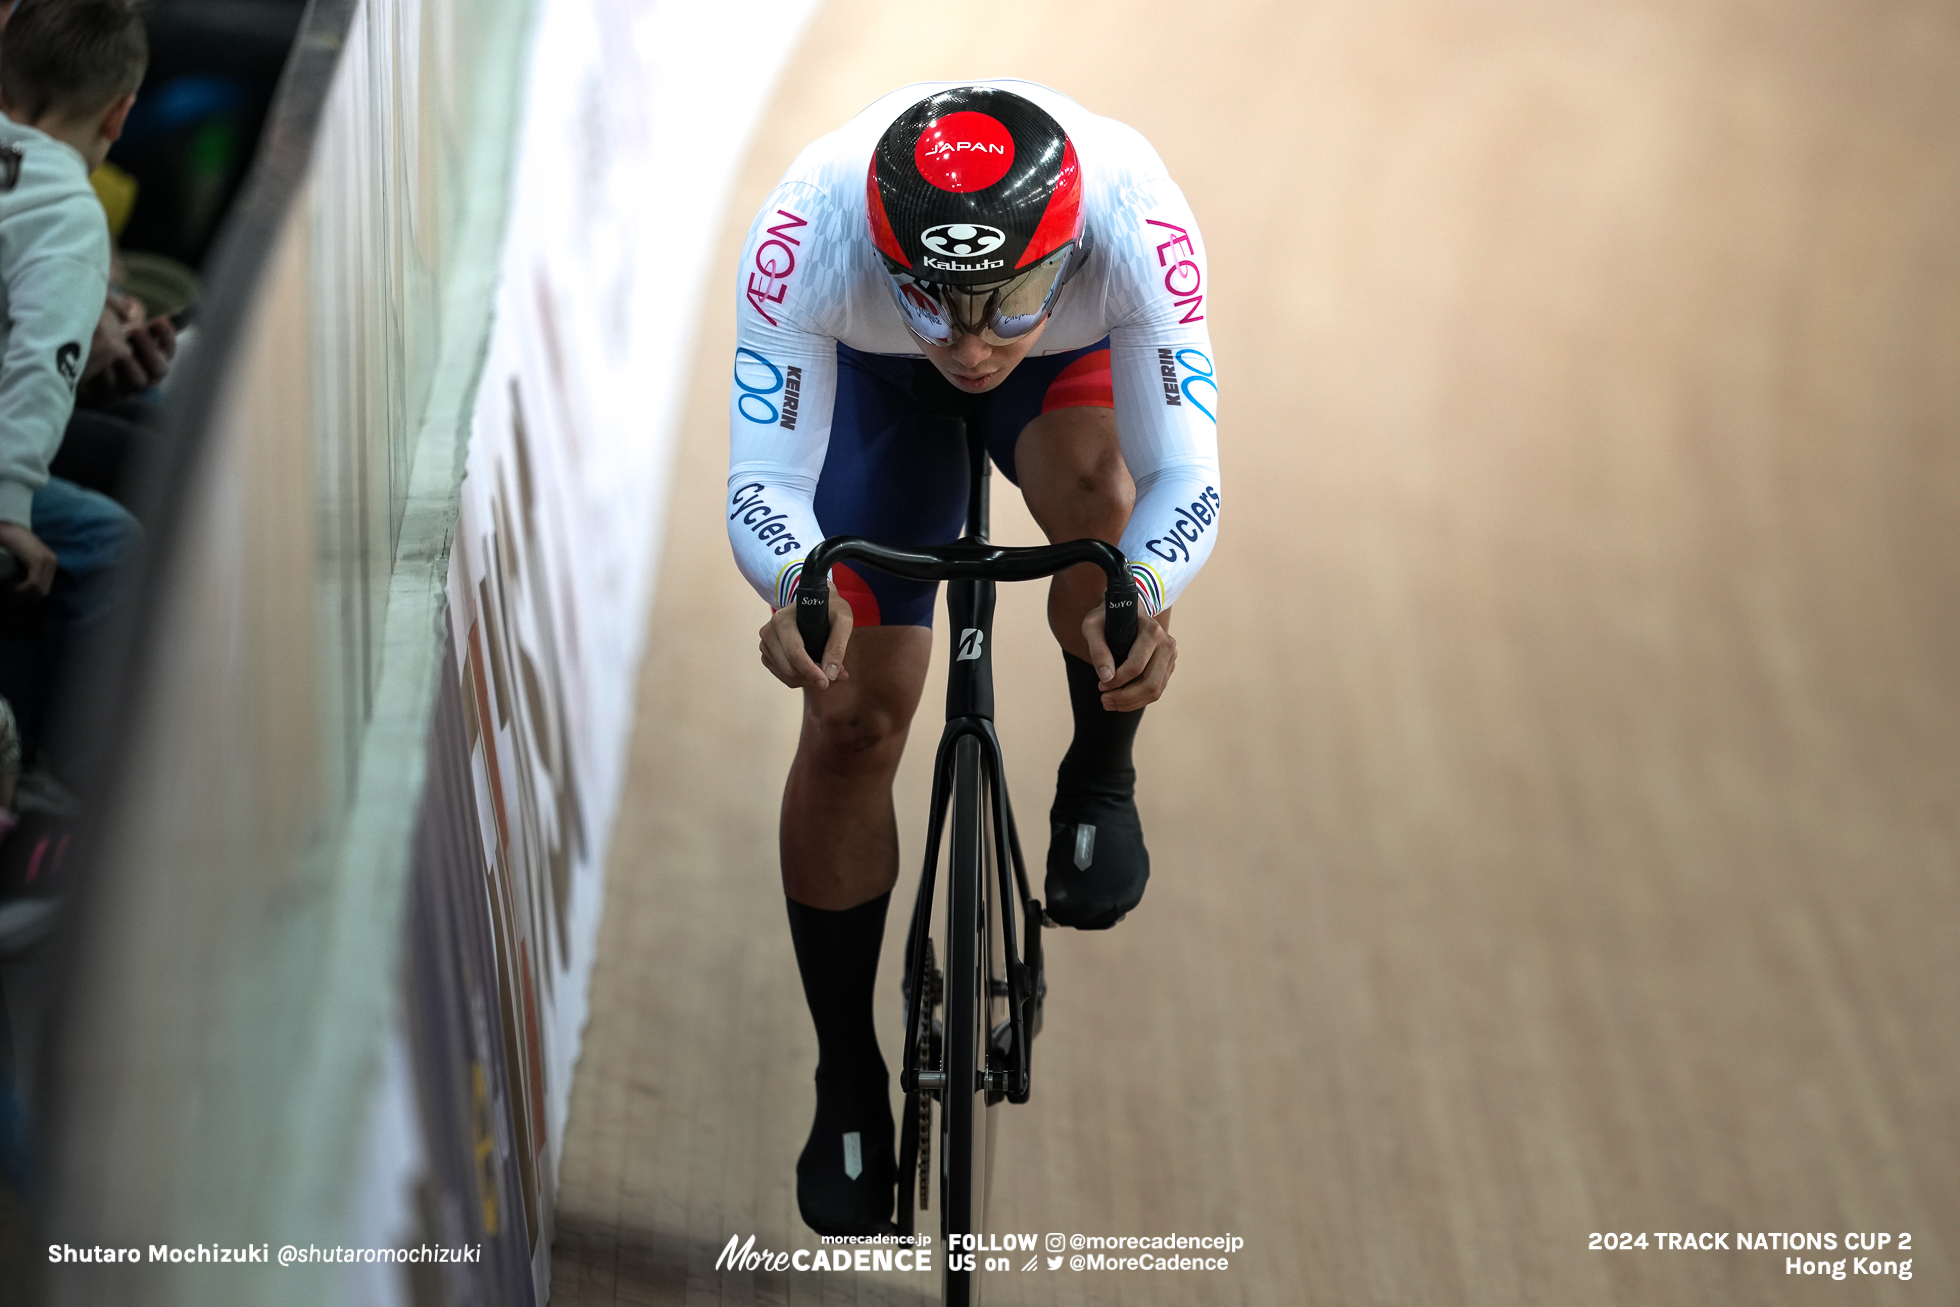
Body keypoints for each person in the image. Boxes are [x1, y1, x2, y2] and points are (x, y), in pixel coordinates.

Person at [725, 81, 1221, 1235]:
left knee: (1101, 517)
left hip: (1071, 363)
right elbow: (765, 480)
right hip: (868, 377)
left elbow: (1184, 478)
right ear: (887, 255)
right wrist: (798, 583)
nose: (974, 343)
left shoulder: (1138, 217)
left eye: (1008, 305)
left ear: (1067, 250)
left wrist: (1141, 591)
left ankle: (1100, 773)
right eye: (939, 305)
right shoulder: (808, 230)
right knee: (853, 713)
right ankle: (846, 1066)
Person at [0, 0, 150, 754]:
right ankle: (50, 777)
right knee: (111, 549)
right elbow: (39, 367)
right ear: (118, 116)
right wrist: (7, 505)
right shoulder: (65, 210)